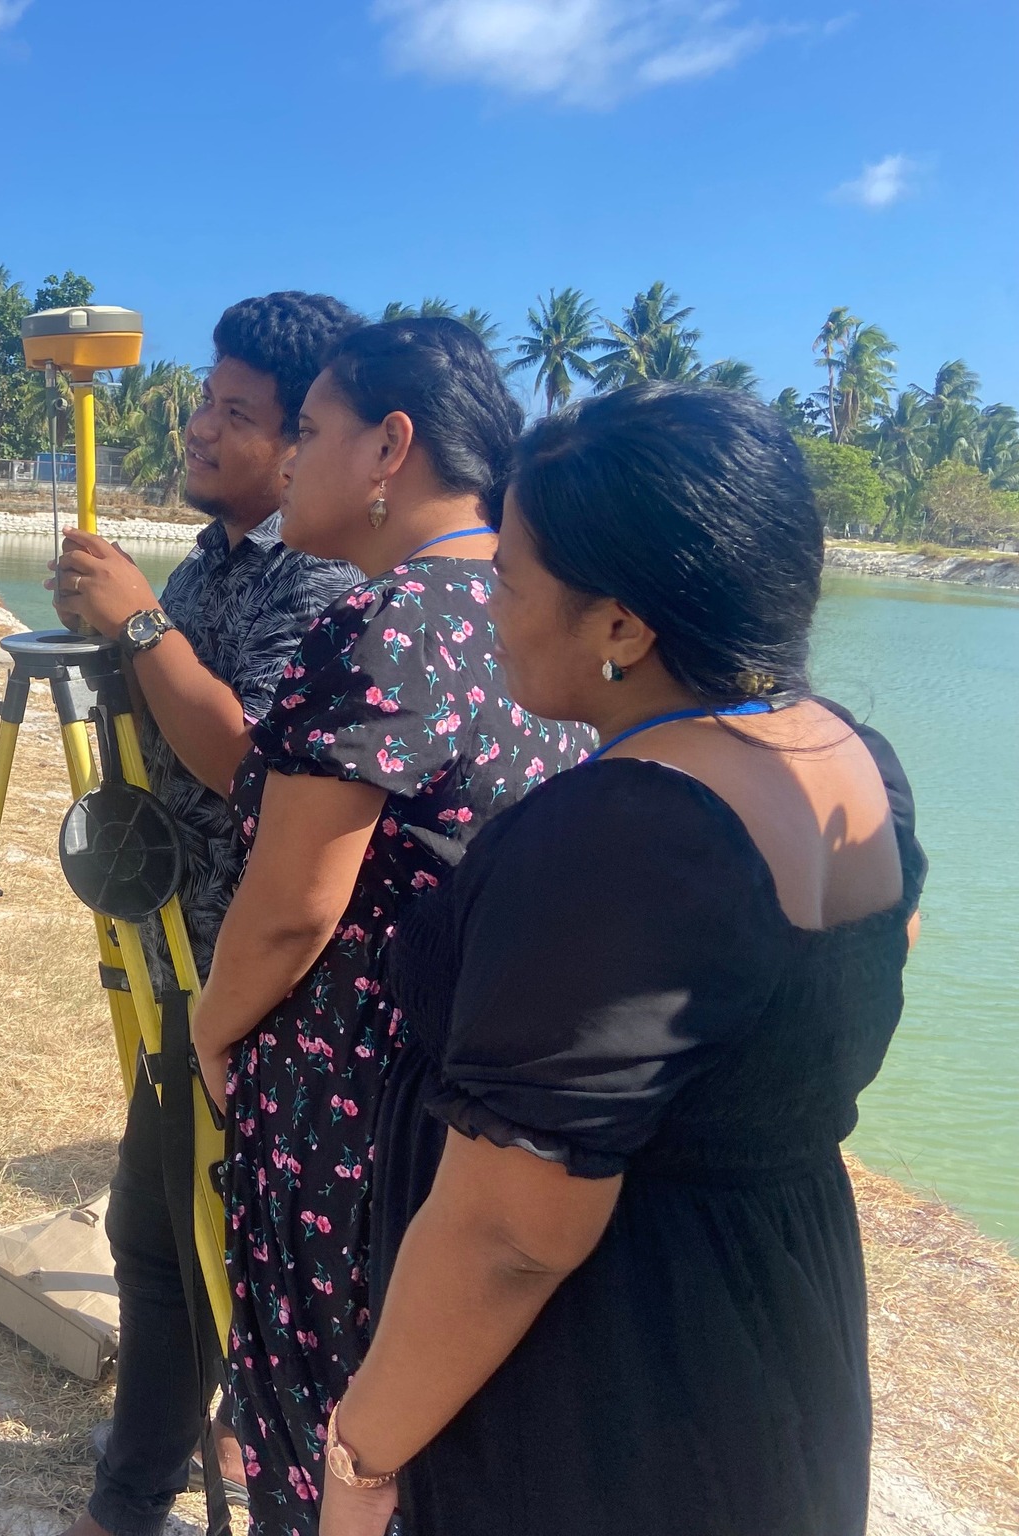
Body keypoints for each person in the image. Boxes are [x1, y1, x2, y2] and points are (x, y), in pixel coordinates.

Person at [322, 384, 927, 1536]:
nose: (488, 608)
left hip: (609, 1382)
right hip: (774, 1315)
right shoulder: (852, 763)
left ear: (619, 627)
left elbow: (511, 1233)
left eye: (506, 579)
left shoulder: (620, 833)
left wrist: (360, 1461)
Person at [188, 318, 591, 1535]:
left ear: (389, 448)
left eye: (307, 431)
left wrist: (208, 1030)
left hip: (346, 1099)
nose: (292, 459)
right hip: (477, 1084)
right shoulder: (530, 614)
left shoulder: (383, 621)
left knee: (324, 1426)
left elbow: (293, 905)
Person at [48, 291, 366, 1536]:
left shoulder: (319, 577)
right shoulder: (215, 560)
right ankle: (198, 1427)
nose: (199, 429)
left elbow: (250, 763)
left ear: (306, 443)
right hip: (189, 958)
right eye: (202, 400)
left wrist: (135, 621)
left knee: (180, 1242)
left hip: (256, 979)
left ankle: (133, 1497)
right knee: (173, 1233)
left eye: (237, 415)